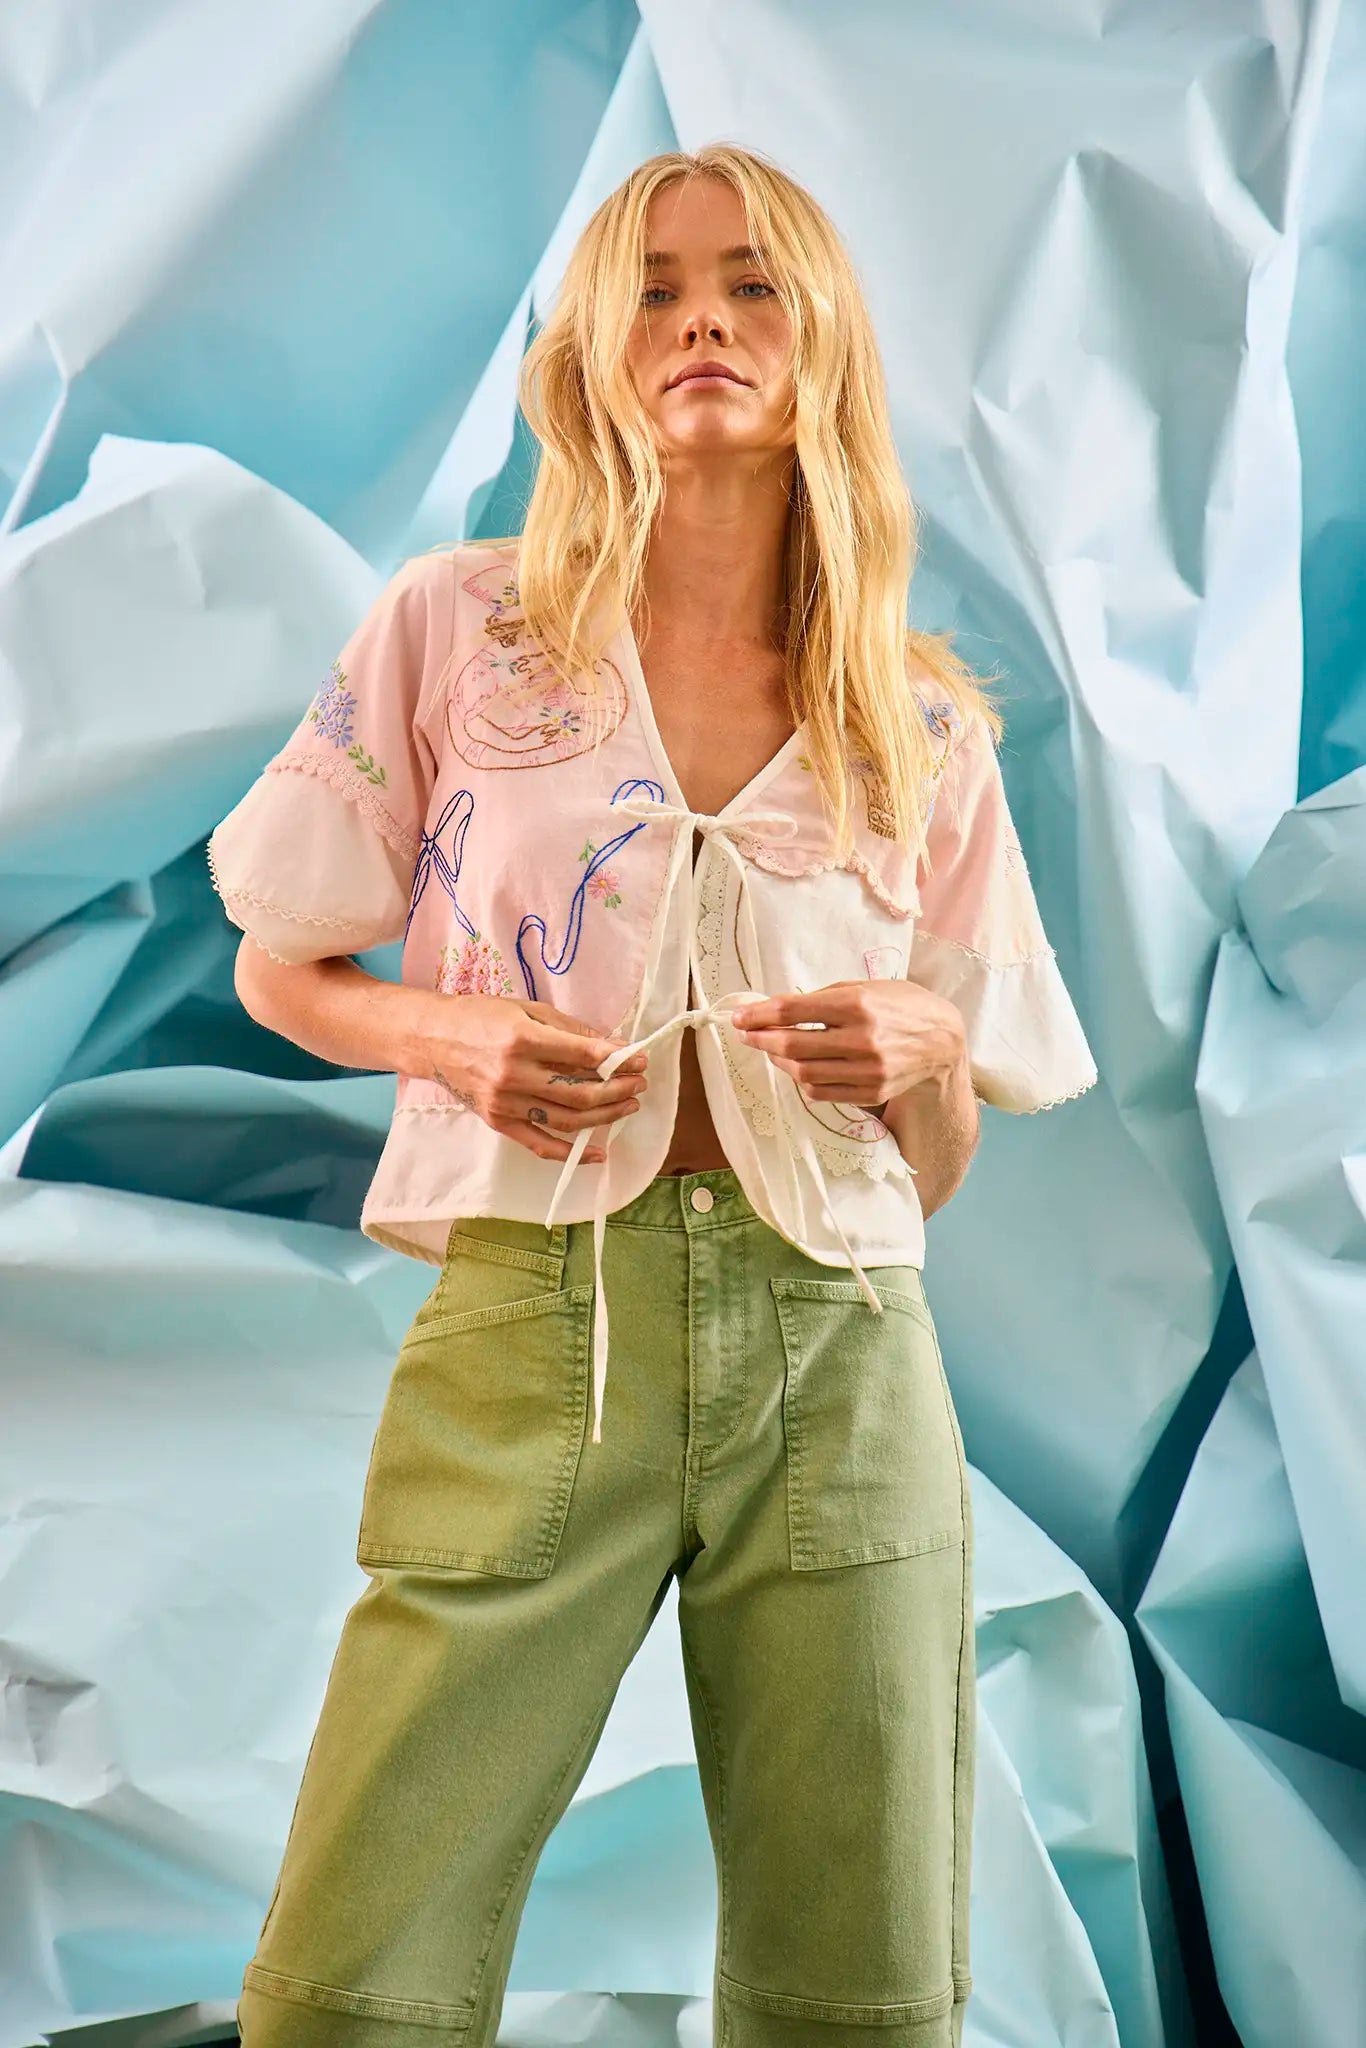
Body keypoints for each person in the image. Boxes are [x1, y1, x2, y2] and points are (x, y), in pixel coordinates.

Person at [209, 144, 1097, 2048]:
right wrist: (446, 1040)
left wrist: (925, 1055)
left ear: (824, 335)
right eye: (655, 284)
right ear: (595, 351)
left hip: (841, 1362)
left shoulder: (916, 720)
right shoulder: (457, 625)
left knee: (858, 1989)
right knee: (359, 1975)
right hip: (534, 1331)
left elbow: (922, 1179)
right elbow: (279, 965)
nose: (703, 320)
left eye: (754, 283)